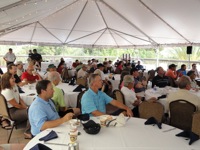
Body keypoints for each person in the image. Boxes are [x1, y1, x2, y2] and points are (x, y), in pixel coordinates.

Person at [1, 73, 32, 139]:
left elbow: (19, 99)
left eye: (13, 78)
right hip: (13, 112)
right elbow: (16, 105)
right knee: (31, 112)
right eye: (12, 78)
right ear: (7, 80)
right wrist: (27, 108)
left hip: (17, 109)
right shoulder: (6, 91)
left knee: (31, 109)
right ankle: (27, 132)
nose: (14, 79)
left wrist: (26, 107)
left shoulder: (14, 86)